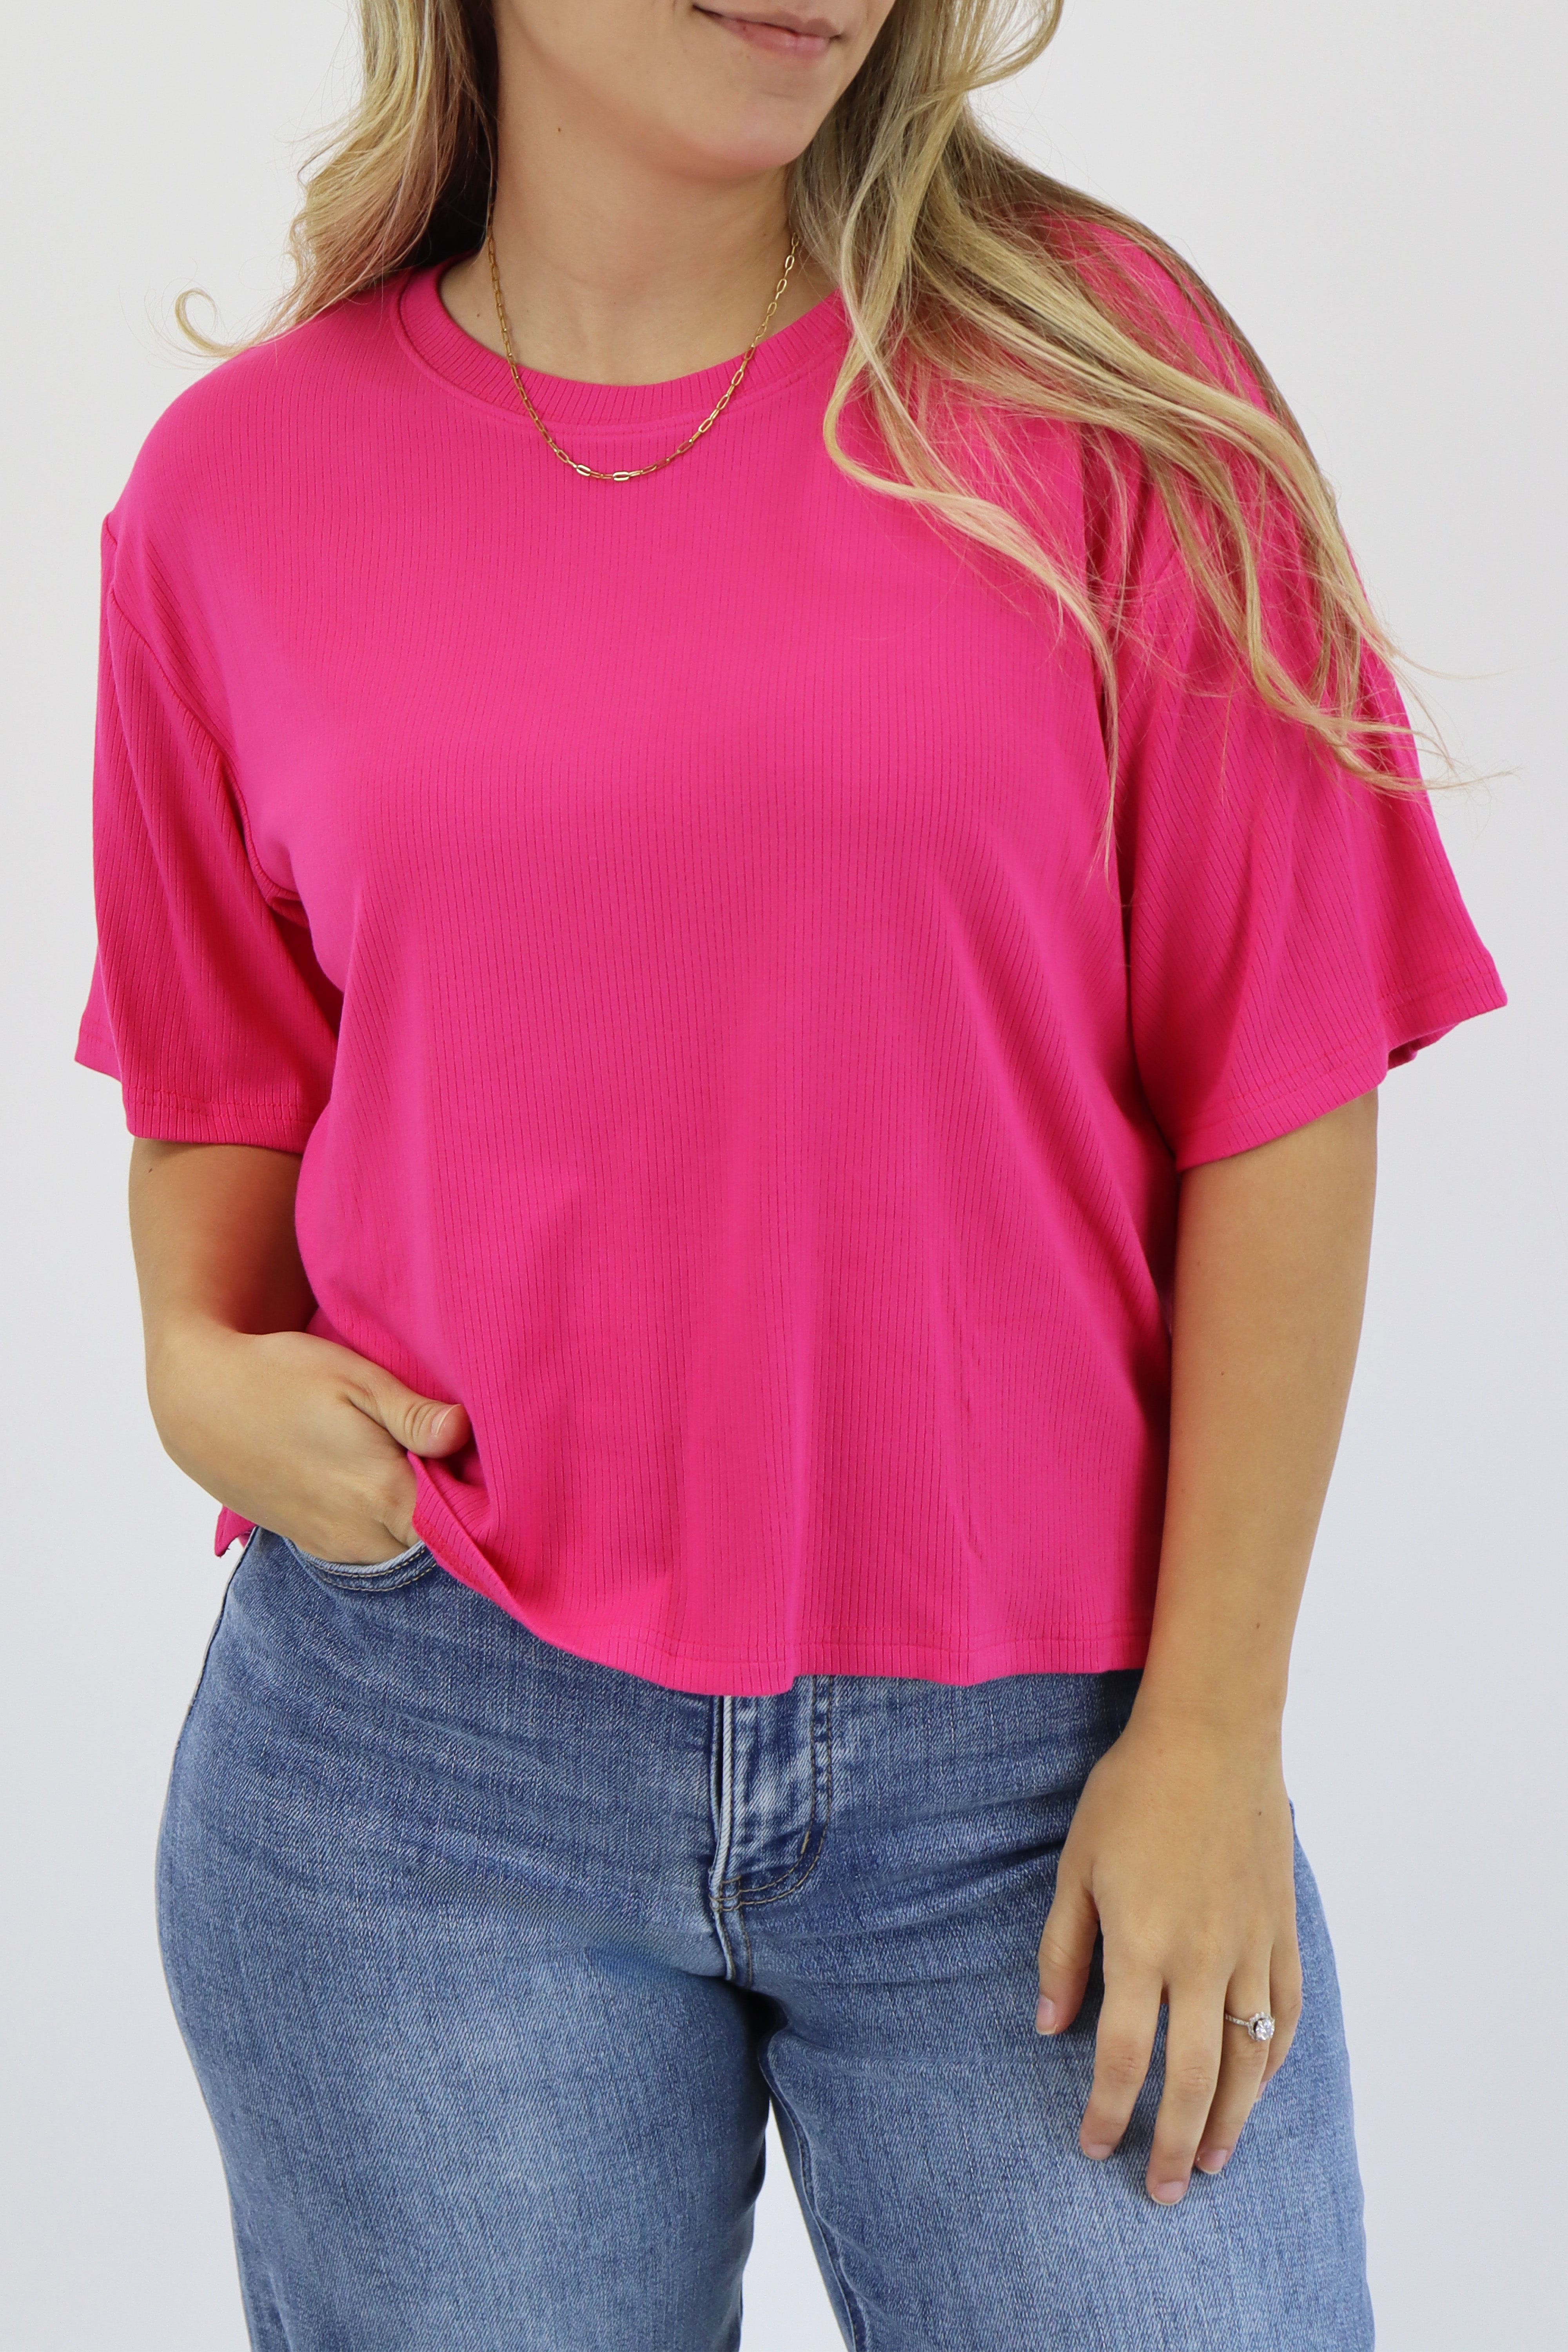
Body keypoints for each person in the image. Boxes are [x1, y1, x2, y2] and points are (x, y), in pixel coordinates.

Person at [74, 4, 1505, 2346]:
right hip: (418, 1760)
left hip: (1042, 1782)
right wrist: (186, 1369)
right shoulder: (232, 491)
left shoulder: (1106, 387)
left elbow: (1283, 1075)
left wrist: (1213, 1734)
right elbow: (219, 1086)